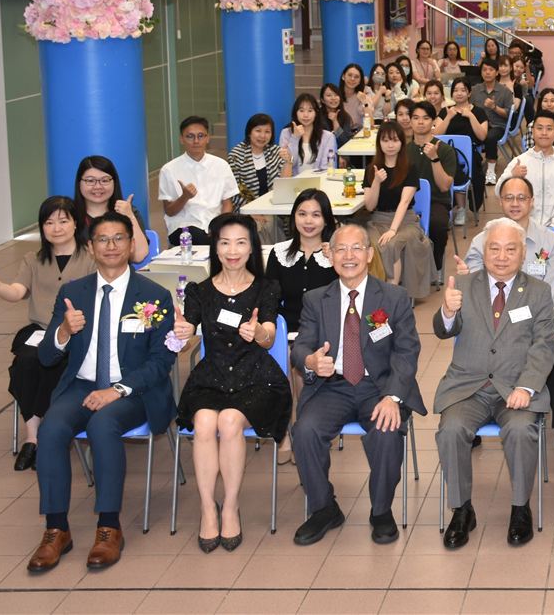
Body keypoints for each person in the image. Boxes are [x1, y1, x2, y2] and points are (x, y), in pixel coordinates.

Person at [26, 212, 176, 573]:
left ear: (131, 245)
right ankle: (56, 528)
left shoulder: (154, 295)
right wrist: (63, 331)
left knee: (102, 425)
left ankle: (109, 526)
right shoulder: (73, 293)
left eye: (119, 238)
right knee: (51, 428)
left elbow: (161, 361)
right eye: (103, 239)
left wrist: (118, 390)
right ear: (90, 247)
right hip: (82, 384)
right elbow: (46, 357)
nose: (111, 246)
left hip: (134, 389)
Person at [290, 222, 426, 546]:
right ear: (330, 255)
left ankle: (381, 511)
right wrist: (311, 361)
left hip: (379, 387)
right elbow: (301, 346)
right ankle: (324, 508)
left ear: (369, 255)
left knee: (386, 432)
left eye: (356, 249)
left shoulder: (393, 297)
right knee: (304, 431)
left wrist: (393, 397)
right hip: (332, 387)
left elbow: (407, 352)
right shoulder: (316, 299)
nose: (348, 256)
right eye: (340, 249)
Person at [433, 218, 554, 549]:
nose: (501, 257)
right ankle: (462, 509)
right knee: (451, 430)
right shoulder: (462, 284)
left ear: (523, 253)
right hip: (468, 387)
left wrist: (526, 387)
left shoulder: (538, 291)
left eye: (510, 249)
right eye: (494, 248)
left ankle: (520, 508)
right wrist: (447, 311)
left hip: (516, 389)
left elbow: (545, 345)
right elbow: (444, 331)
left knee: (520, 430)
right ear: (484, 251)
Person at [172, 213, 288, 552]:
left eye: (240, 243)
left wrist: (260, 332)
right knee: (204, 422)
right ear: (215, 247)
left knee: (229, 421)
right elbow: (187, 337)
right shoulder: (200, 291)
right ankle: (208, 507)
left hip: (257, 377)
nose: (232, 251)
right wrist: (182, 333)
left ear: (252, 248)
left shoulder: (266, 288)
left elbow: (269, 336)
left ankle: (231, 506)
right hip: (213, 377)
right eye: (225, 243)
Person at [0, 196, 95, 471]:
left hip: (78, 330)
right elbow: (17, 292)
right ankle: (32, 437)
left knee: (54, 364)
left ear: (75, 223)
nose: (56, 228)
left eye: (63, 221)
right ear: (42, 227)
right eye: (49, 222)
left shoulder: (91, 257)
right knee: (25, 363)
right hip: (40, 329)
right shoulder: (32, 259)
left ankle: (47, 433)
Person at [460, 176, 554, 448]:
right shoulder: (483, 240)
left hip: (534, 320)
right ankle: (470, 418)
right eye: (509, 198)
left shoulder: (550, 241)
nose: (515, 203)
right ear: (500, 202)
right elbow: (475, 289)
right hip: (491, 322)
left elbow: (551, 288)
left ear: (532, 202)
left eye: (521, 198)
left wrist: (523, 311)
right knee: (473, 350)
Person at [265, 190, 339, 464]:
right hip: (286, 329)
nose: (308, 221)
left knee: (302, 364)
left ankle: (305, 432)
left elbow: (347, 296)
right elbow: (269, 299)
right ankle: (285, 433)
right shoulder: (279, 252)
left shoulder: (335, 253)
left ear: (326, 219)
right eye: (302, 214)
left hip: (324, 332)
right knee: (281, 360)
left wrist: (337, 262)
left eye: (316, 215)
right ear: (293, 217)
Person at [360, 122, 436, 299]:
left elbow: (404, 202)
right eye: (385, 140)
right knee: (371, 244)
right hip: (378, 220)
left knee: (391, 244)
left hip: (405, 221)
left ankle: (391, 294)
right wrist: (376, 182)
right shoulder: (371, 169)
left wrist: (393, 230)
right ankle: (374, 291)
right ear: (379, 143)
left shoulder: (410, 168)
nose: (390, 145)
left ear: (402, 142)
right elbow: (370, 206)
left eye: (394, 140)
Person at [159, 115, 236, 246]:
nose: (196, 141)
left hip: (214, 223)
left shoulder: (221, 165)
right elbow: (170, 212)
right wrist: (184, 197)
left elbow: (227, 203)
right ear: (181, 139)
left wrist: (220, 225)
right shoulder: (169, 169)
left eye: (201, 136)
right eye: (190, 136)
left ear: (208, 138)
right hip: (184, 226)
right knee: (199, 236)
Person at [500, 111, 554, 230]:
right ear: (532, 132)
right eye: (539, 128)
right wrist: (511, 176)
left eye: (549, 129)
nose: (544, 133)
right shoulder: (520, 161)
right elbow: (499, 191)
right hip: (523, 227)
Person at [408, 101, 458, 274]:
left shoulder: (445, 150)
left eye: (425, 118)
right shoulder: (404, 150)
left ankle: (434, 269)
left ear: (433, 121)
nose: (420, 122)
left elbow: (444, 186)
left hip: (436, 201)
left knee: (437, 224)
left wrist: (434, 159)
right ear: (410, 121)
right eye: (416, 118)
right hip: (407, 202)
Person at [72, 156, 150, 263]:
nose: (98, 186)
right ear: (79, 183)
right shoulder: (69, 215)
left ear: (114, 182)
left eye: (105, 180)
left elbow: (139, 257)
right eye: (90, 181)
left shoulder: (127, 211)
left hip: (119, 272)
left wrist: (129, 216)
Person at [434, 77, 489, 226]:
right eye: (455, 90)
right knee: (448, 165)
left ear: (469, 93)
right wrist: (448, 118)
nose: (459, 93)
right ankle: (454, 207)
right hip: (447, 155)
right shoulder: (446, 111)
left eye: (463, 90)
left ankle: (462, 208)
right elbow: (436, 135)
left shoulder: (478, 112)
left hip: (470, 155)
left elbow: (482, 136)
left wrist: (471, 116)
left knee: (460, 168)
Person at [226, 113, 285, 243]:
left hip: (272, 207)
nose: (262, 136)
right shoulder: (236, 155)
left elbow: (284, 184)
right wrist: (251, 211)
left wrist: (288, 162)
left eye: (267, 132)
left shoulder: (276, 152)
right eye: (258, 131)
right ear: (249, 132)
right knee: (262, 225)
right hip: (245, 208)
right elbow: (234, 190)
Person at [472, 59, 515, 184]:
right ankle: (472, 165)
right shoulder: (474, 90)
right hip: (479, 125)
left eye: (491, 70)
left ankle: (490, 170)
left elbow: (509, 115)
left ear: (497, 73)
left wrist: (494, 107)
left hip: (498, 126)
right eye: (484, 70)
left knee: (490, 137)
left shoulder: (505, 91)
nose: (487, 72)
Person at [280, 93, 339, 174]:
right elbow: (289, 164)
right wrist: (295, 138)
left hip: (320, 181)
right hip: (294, 181)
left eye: (310, 111)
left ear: (316, 113)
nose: (306, 115)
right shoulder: (286, 133)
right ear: (295, 113)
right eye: (301, 110)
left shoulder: (328, 137)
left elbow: (329, 168)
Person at [319, 83, 356, 147]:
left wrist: (335, 121)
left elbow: (344, 142)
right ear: (322, 100)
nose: (333, 98)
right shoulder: (317, 116)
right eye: (329, 95)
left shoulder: (345, 116)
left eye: (336, 95)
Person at [338, 63, 375, 127]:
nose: (352, 79)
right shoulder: (336, 96)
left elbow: (371, 124)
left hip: (357, 132)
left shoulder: (363, 97)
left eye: (356, 77)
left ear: (360, 81)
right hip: (338, 132)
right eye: (350, 75)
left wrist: (364, 102)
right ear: (343, 76)